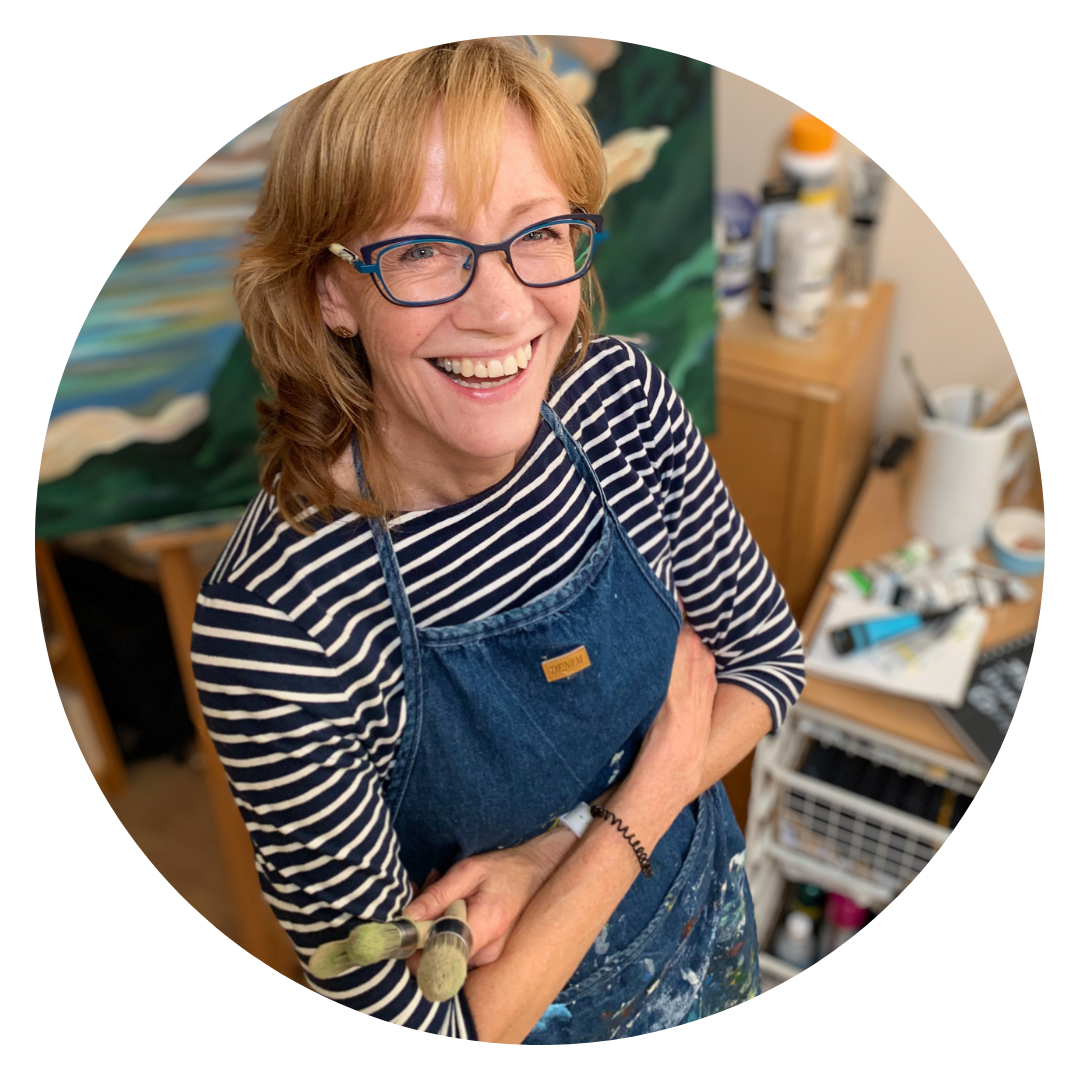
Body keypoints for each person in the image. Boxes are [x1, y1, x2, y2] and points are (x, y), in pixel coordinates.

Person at [193, 39, 805, 1043]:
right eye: (423, 250)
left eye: (539, 233)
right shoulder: (279, 627)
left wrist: (549, 854)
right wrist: (651, 789)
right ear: (329, 291)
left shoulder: (622, 402)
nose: (506, 308)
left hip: (708, 923)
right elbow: (440, 1024)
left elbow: (767, 666)